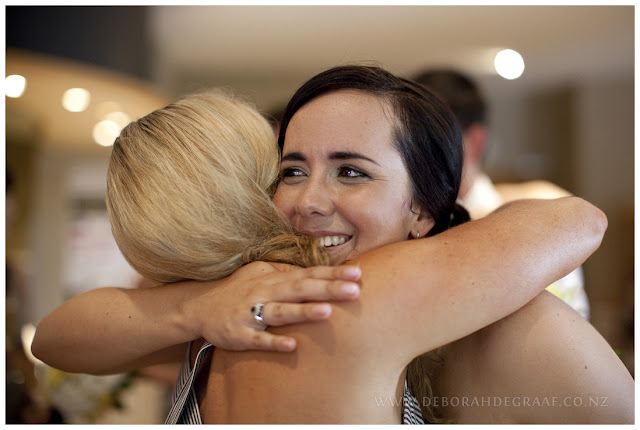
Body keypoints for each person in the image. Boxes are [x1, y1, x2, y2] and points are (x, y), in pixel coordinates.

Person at [31, 67, 629, 424]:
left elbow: (576, 221)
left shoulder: (501, 326)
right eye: (292, 171)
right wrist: (197, 305)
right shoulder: (248, 306)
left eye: (351, 172)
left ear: (424, 208)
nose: (307, 201)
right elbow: (58, 338)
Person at [413, 68, 590, 320]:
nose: (414, 154)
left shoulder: (542, 216)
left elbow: (571, 318)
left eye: (430, 139)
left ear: (475, 142)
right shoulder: (402, 224)